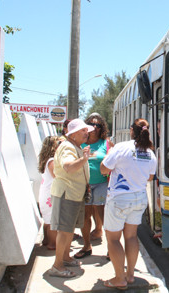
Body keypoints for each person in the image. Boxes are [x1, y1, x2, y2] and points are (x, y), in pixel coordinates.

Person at [100, 118, 157, 289]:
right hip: (139, 198)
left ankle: (119, 278)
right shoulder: (150, 153)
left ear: (132, 130)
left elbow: (104, 169)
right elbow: (150, 177)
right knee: (131, 236)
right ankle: (130, 275)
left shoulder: (122, 147)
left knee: (113, 239)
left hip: (119, 198)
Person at [47, 119, 94, 278]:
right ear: (72, 134)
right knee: (65, 230)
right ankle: (57, 265)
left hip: (73, 194)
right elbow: (68, 167)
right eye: (83, 131)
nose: (86, 133)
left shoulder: (74, 146)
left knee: (69, 229)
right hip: (67, 194)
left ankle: (65, 257)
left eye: (86, 131)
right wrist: (84, 159)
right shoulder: (67, 147)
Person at [74, 113, 114, 259]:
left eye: (98, 125)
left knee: (103, 216)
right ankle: (86, 246)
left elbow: (114, 160)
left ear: (101, 127)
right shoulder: (80, 143)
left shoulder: (106, 143)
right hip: (84, 184)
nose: (95, 127)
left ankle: (111, 248)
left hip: (102, 183)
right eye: (92, 125)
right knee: (85, 216)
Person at [38, 136, 60, 250]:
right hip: (50, 195)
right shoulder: (52, 161)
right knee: (52, 220)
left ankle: (47, 240)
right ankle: (52, 243)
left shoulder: (45, 160)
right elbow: (57, 176)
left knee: (47, 219)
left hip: (45, 193)